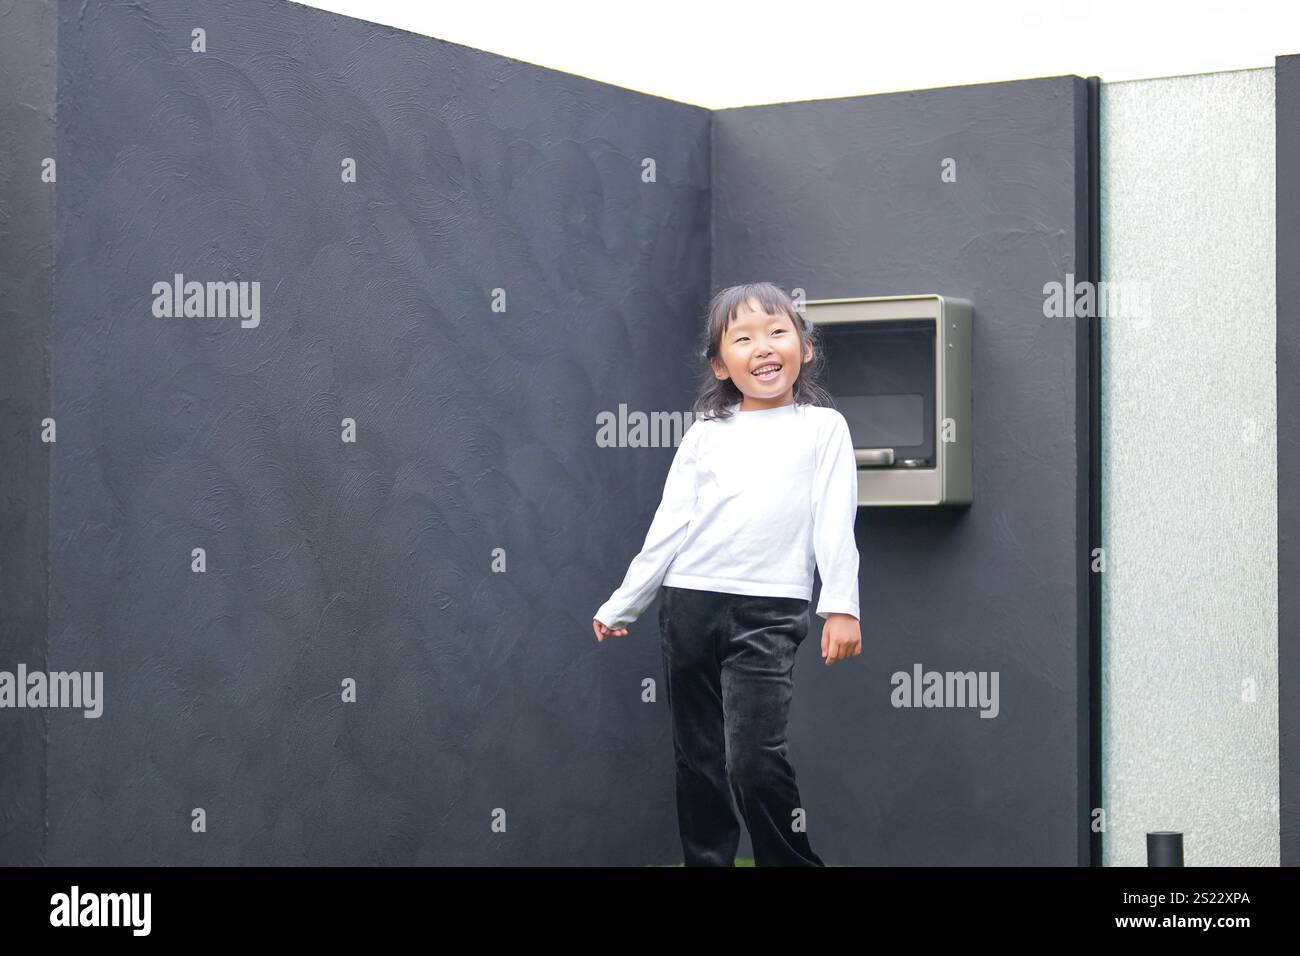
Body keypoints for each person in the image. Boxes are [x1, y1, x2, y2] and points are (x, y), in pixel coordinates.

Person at [592, 281, 862, 867]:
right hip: (689, 605)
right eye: (743, 338)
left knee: (754, 758)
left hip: (769, 611)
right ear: (721, 363)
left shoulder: (823, 429)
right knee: (698, 756)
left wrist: (841, 605)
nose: (763, 347)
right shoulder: (704, 436)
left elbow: (835, 521)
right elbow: (668, 527)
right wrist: (624, 602)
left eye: (777, 332)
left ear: (804, 348)